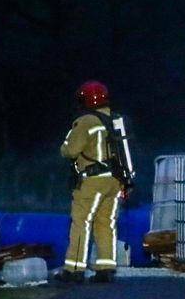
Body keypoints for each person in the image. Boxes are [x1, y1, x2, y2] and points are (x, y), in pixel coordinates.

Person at [57, 80, 134, 284]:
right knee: (106, 223)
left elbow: (70, 150)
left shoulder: (86, 122)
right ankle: (106, 268)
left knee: (81, 223)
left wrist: (65, 145)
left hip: (92, 181)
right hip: (116, 181)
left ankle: (74, 269)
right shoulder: (115, 120)